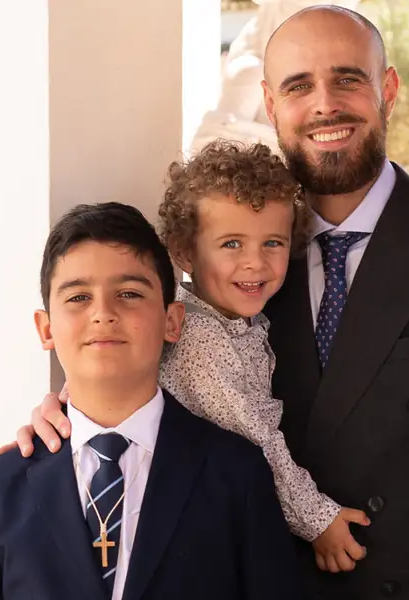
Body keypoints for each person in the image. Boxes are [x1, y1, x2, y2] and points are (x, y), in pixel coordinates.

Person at [13, 6, 409, 599]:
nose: (325, 104)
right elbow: (160, 353)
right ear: (272, 105)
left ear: (388, 89)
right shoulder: (237, 263)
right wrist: (72, 408)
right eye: (299, 86)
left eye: (348, 79)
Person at [0, 202, 304, 600]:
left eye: (129, 293)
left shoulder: (236, 473)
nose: (103, 313)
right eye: (78, 297)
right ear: (46, 328)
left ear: (172, 321)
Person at [157, 139, 371, 570]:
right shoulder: (199, 337)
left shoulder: (242, 320)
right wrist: (317, 520)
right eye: (231, 244)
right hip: (201, 526)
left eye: (272, 243)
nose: (255, 263)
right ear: (184, 253)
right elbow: (255, 437)